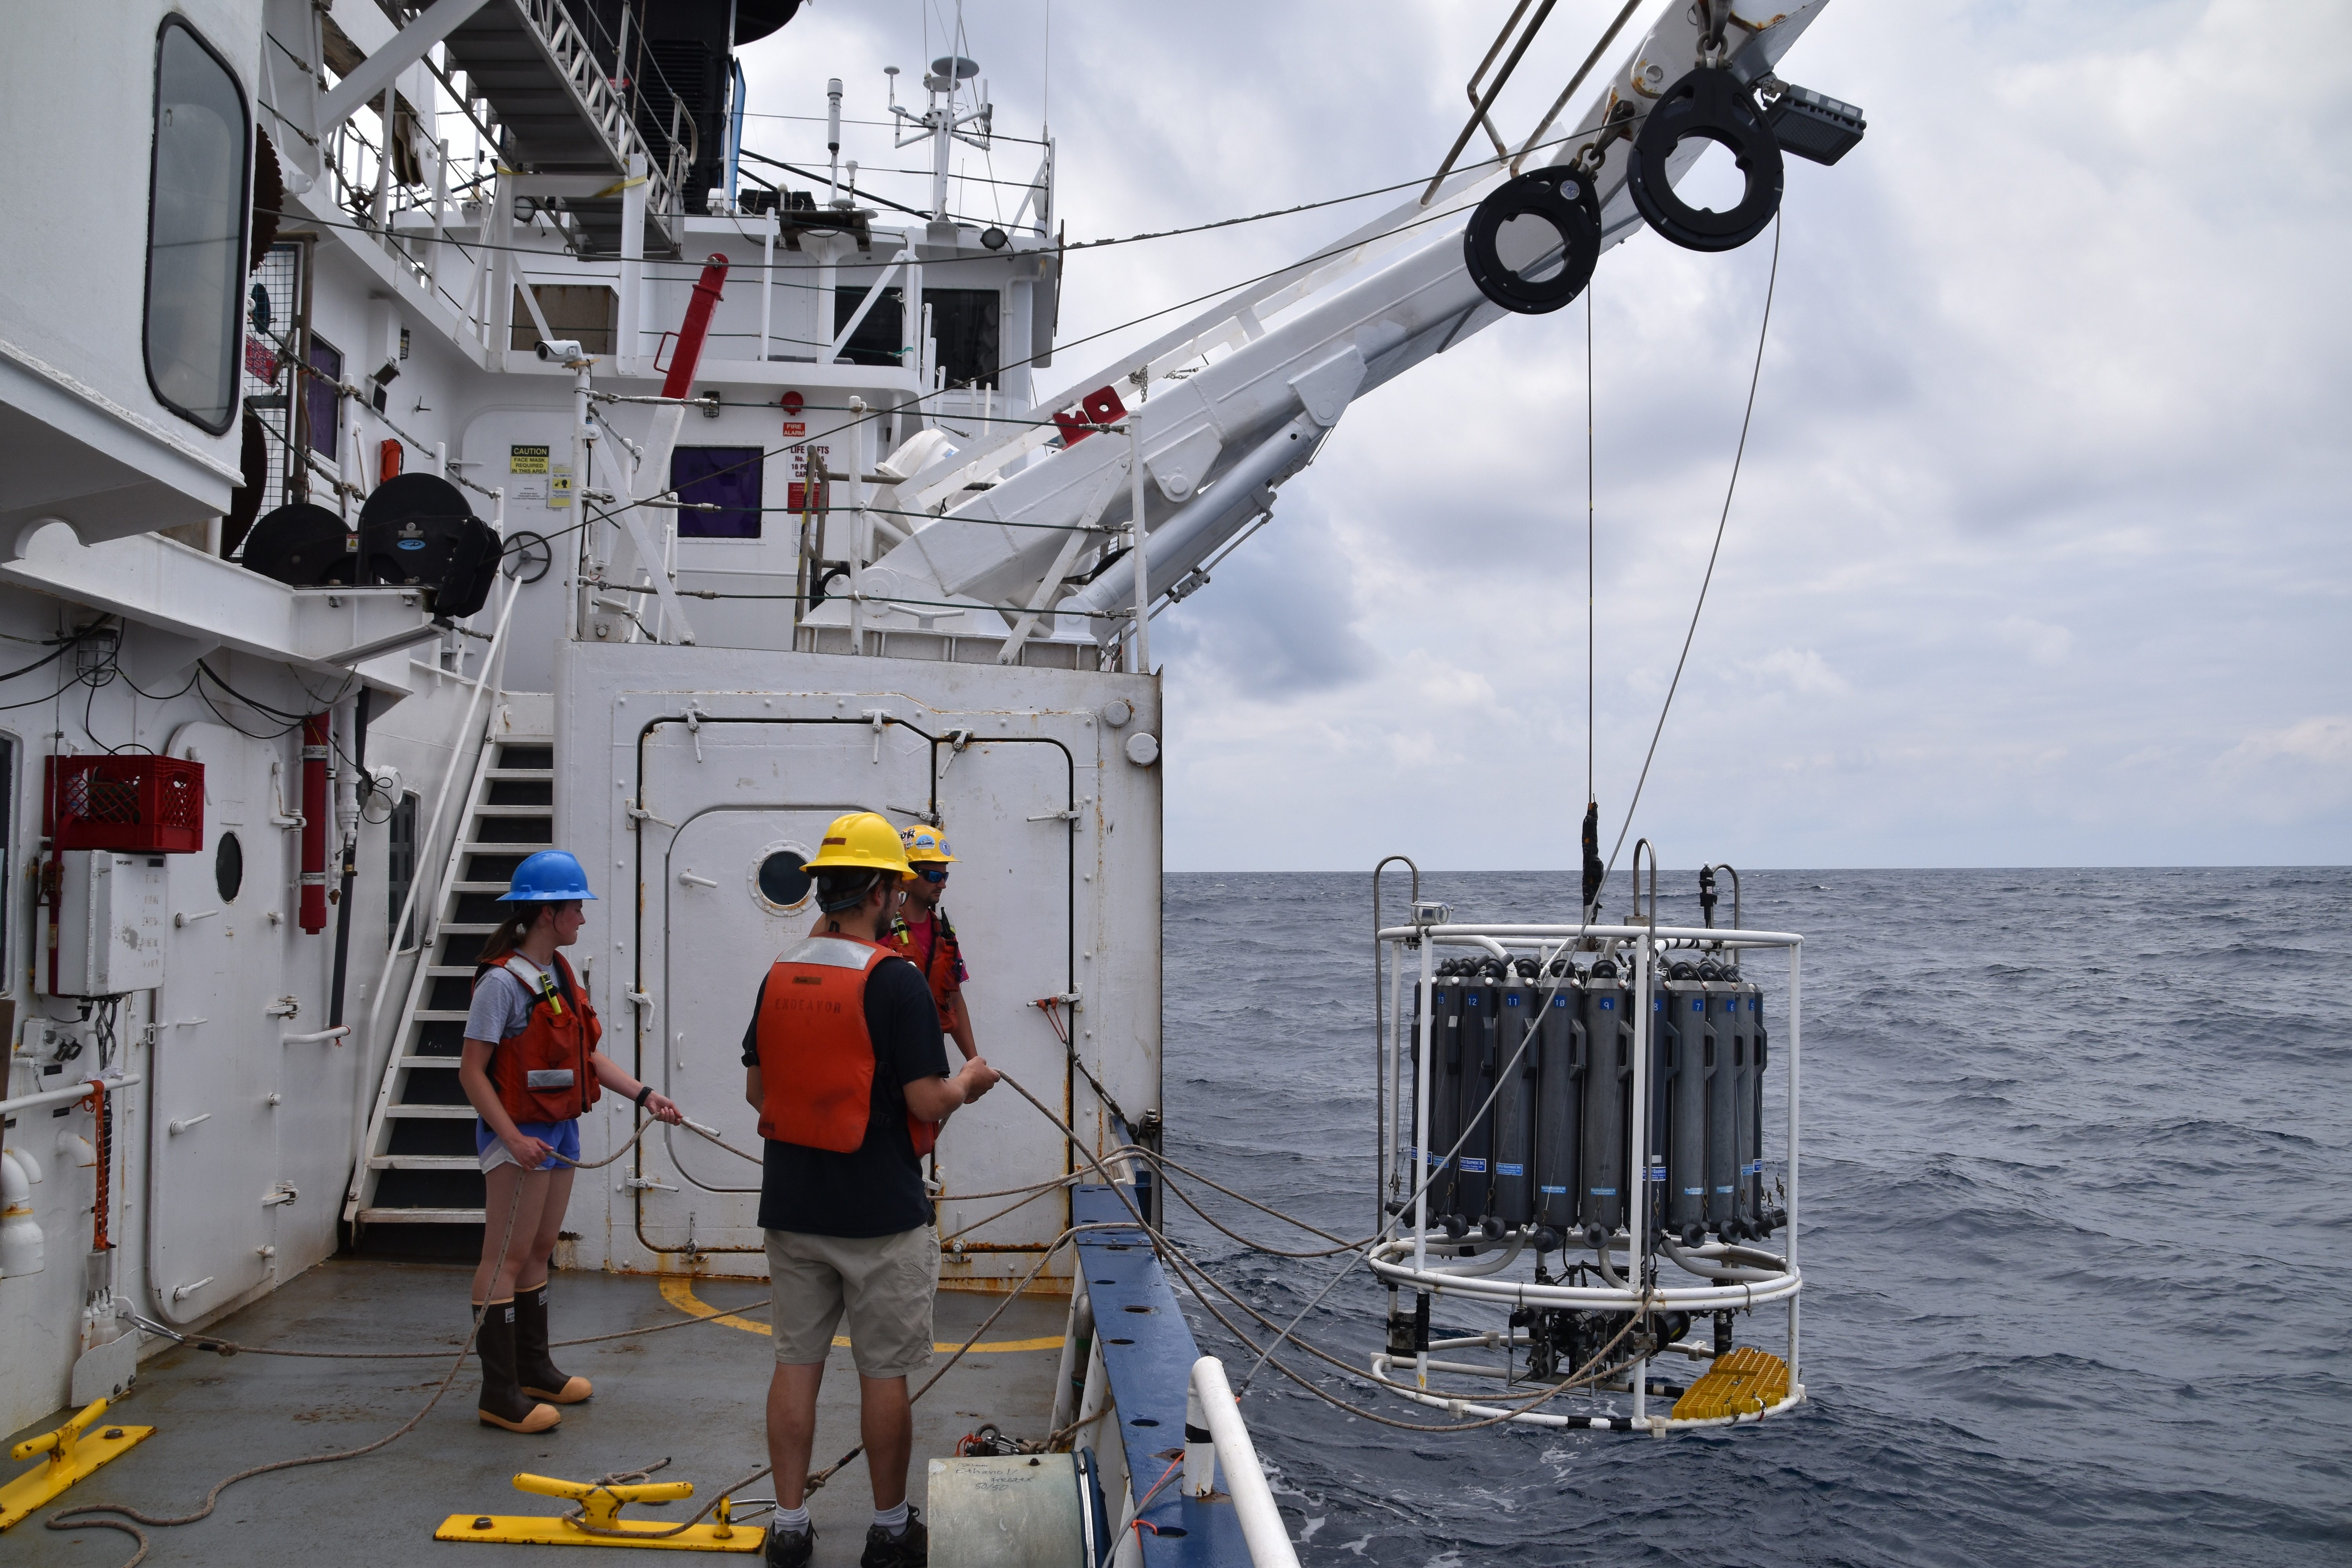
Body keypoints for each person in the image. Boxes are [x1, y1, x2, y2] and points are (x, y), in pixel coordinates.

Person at [744, 811, 1000, 1568]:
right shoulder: (896, 981)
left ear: (825, 885)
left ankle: (789, 1526)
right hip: (881, 1212)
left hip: (792, 1203)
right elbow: (927, 1103)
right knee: (883, 1373)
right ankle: (889, 1531)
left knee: (795, 1365)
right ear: (885, 890)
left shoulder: (780, 973)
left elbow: (760, 1094)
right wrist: (969, 1083)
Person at [457, 849, 684, 1434]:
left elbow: (583, 1056)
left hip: (559, 1130)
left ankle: (534, 1369)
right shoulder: (501, 985)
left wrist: (644, 1095)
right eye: (576, 908)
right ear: (548, 913)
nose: (583, 918)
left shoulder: (558, 972)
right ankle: (498, 1394)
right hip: (520, 1137)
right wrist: (511, 1138)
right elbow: (472, 1073)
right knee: (502, 1258)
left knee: (538, 1251)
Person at [891, 826, 977, 1062]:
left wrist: (973, 1062)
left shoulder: (945, 934)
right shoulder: (879, 930)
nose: (943, 885)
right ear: (907, 876)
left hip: (929, 1057)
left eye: (945, 876)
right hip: (886, 1058)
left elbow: (954, 997)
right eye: (934, 876)